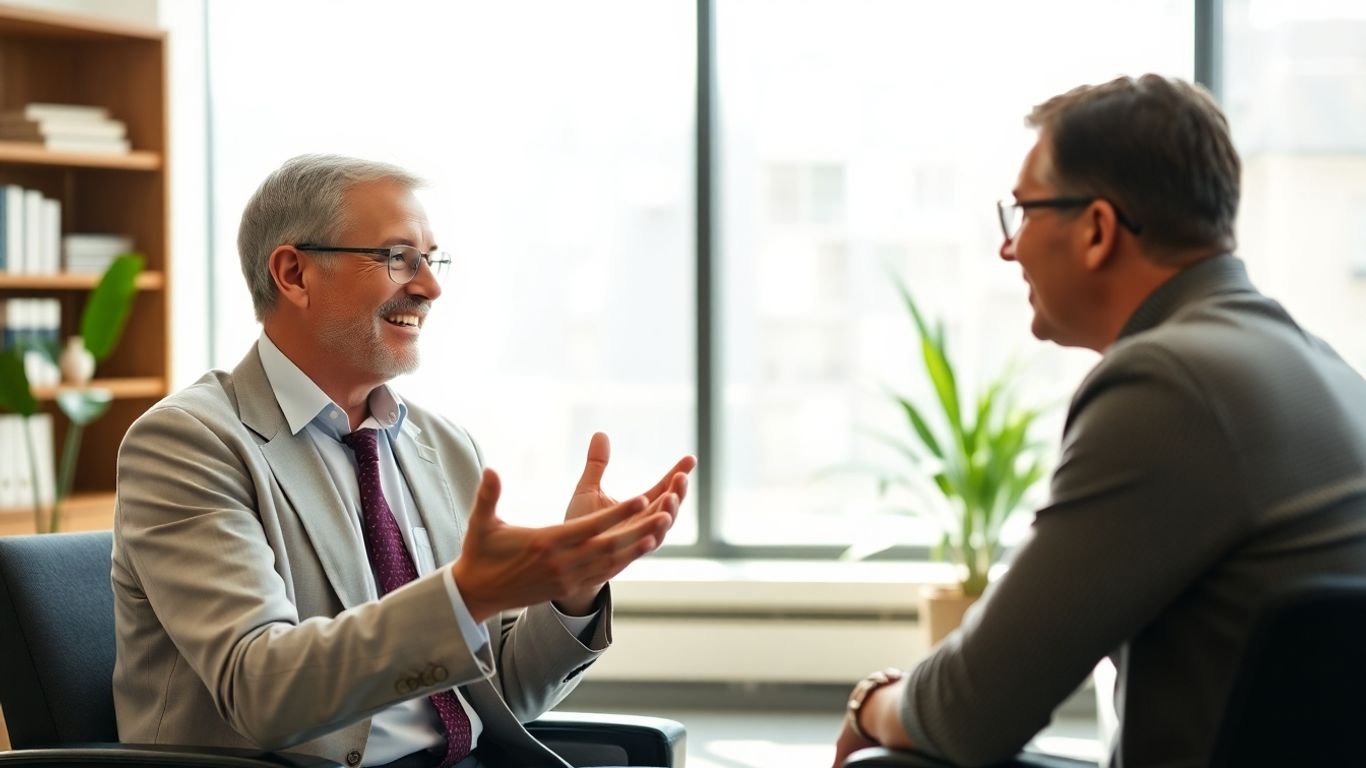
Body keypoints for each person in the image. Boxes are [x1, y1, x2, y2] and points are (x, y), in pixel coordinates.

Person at [832, 74, 1366, 768]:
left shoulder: (1168, 383)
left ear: (1096, 229)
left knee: (889, 766)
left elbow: (971, 710)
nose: (1010, 247)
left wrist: (870, 703)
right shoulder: (1321, 368)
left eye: (1023, 212)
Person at [112, 154, 696, 768]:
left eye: (431, 259)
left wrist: (572, 595)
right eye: (397, 257)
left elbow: (500, 696)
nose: (429, 286)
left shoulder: (444, 446)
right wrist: (462, 597)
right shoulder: (190, 443)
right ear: (293, 273)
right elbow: (263, 691)